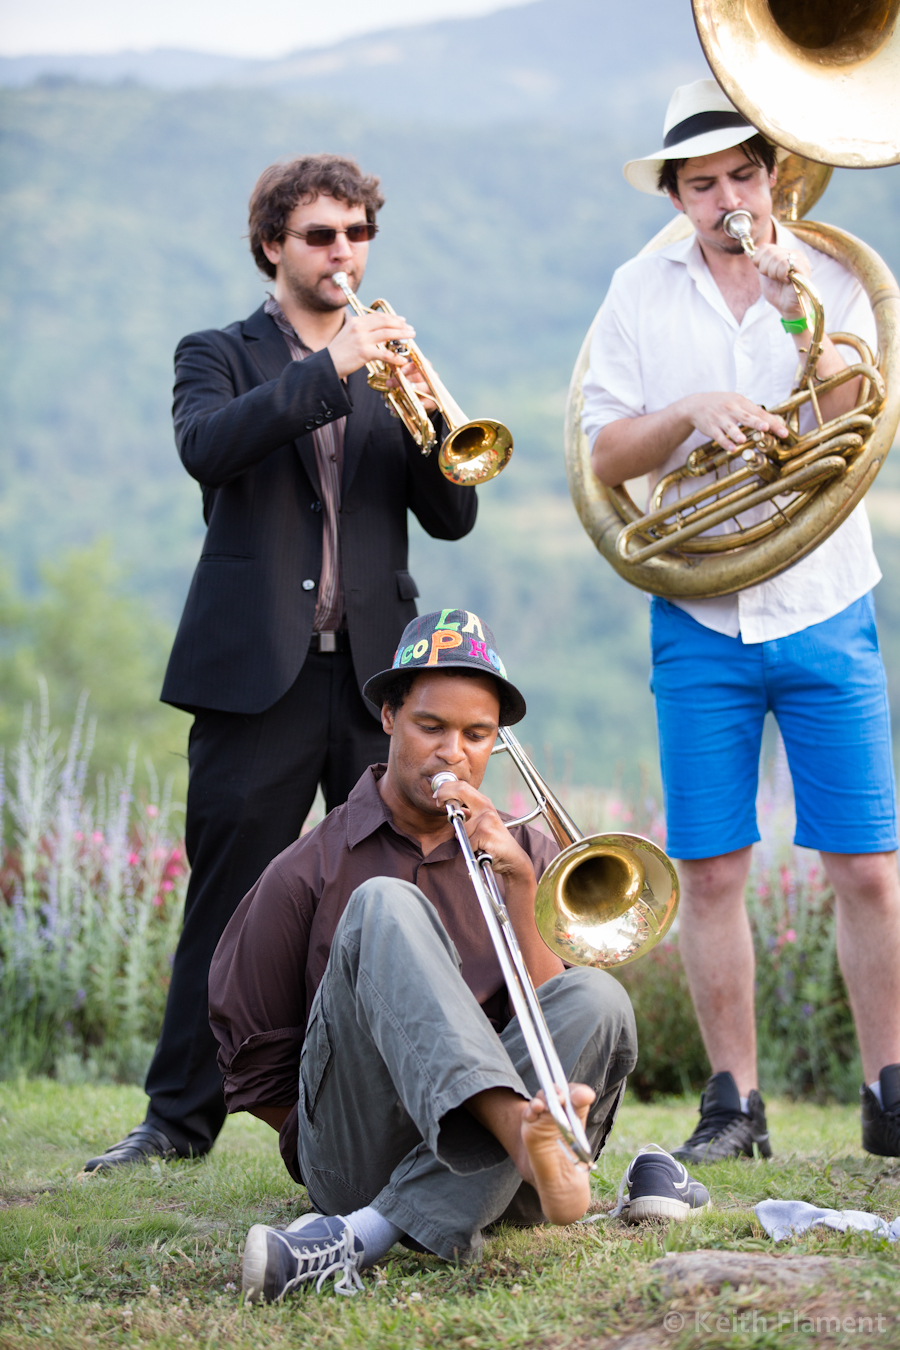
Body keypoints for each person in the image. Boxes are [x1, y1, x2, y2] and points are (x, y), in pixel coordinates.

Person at [83, 155, 478, 1173]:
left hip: (375, 685)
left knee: (406, 888)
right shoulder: (216, 352)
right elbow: (208, 449)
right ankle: (178, 1121)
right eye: (320, 235)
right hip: (256, 675)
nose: (342, 251)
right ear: (273, 245)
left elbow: (453, 513)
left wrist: (433, 420)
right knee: (225, 900)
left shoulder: (393, 366)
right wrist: (332, 368)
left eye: (355, 233)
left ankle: (423, 1103)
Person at [208, 610, 709, 1301]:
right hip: (362, 1157)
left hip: (510, 1172)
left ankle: (380, 1229)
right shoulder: (309, 867)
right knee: (385, 904)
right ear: (388, 718)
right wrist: (361, 1136)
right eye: (431, 726)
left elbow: (554, 1026)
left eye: (477, 735)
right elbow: (256, 1069)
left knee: (598, 995)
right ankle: (501, 1137)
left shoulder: (526, 855)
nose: (453, 753)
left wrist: (523, 884)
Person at [583, 79, 900, 1163]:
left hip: (825, 601)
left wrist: (796, 301)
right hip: (700, 613)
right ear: (675, 194)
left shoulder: (834, 274)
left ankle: (889, 1094)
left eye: (744, 176)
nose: (728, 199)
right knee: (713, 868)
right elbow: (604, 456)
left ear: (775, 176)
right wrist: (688, 414)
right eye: (703, 182)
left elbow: (854, 413)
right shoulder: (636, 291)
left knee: (865, 864)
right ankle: (734, 1104)